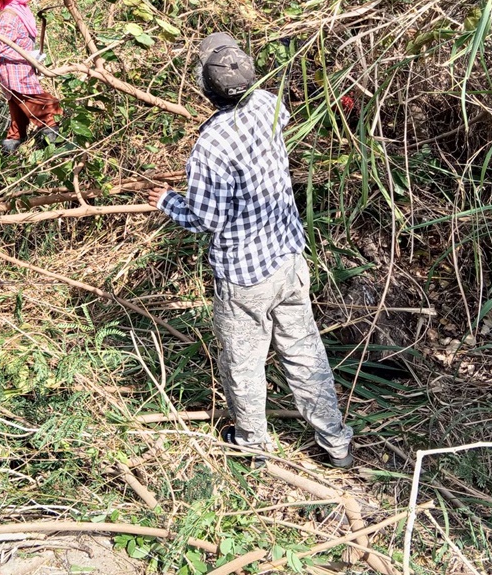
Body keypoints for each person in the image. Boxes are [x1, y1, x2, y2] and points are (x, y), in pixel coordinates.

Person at [147, 32, 355, 469]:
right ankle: (335, 441)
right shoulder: (270, 104)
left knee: (244, 363)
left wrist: (167, 201)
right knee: (304, 351)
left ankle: (253, 446)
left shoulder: (211, 146)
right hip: (289, 257)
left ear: (206, 88)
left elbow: (207, 220)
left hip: (245, 276)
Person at [0, 0, 61, 154]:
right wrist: (29, 56)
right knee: (44, 105)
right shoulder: (8, 17)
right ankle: (52, 136)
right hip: (14, 72)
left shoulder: (21, 13)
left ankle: (13, 140)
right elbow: (1, 48)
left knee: (18, 105)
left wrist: (32, 56)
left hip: (22, 69)